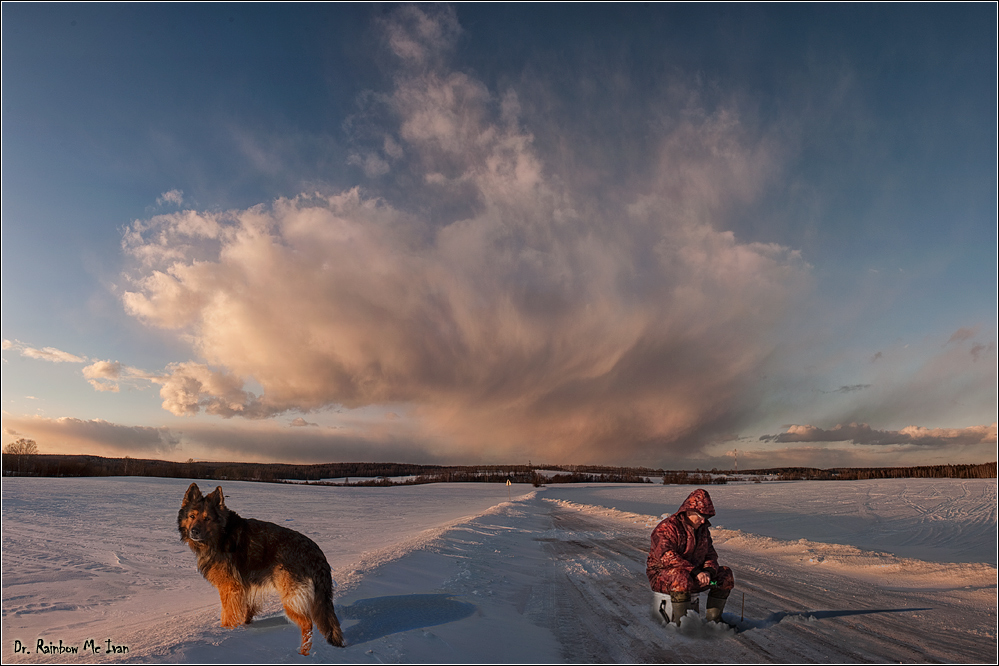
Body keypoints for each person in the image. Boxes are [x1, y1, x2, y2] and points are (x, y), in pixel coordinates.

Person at [646, 488, 735, 624]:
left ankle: (714, 622)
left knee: (725, 575)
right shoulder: (667, 528)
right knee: (681, 577)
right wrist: (695, 571)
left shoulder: (703, 531)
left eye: (706, 517)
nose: (704, 521)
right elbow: (666, 556)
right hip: (663, 577)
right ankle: (684, 625)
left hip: (695, 577)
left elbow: (711, 554)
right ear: (689, 511)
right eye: (701, 517)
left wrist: (708, 571)